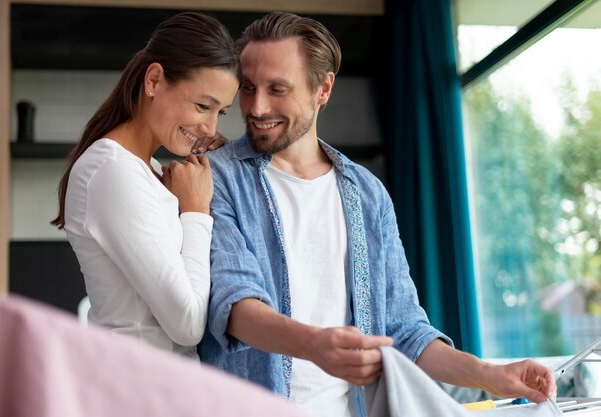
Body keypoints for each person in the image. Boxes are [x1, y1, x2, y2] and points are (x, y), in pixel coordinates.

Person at [198, 11, 556, 417]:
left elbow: (404, 330)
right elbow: (234, 305)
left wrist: (490, 375)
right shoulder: (216, 175)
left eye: (278, 89)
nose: (257, 107)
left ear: (323, 88)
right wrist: (315, 345)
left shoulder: (367, 193)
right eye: (248, 88)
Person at [51, 12, 240, 360]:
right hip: (136, 388)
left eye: (221, 113)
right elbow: (187, 323)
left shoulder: (146, 169)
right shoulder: (113, 171)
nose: (210, 127)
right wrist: (196, 212)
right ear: (154, 80)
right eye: (202, 106)